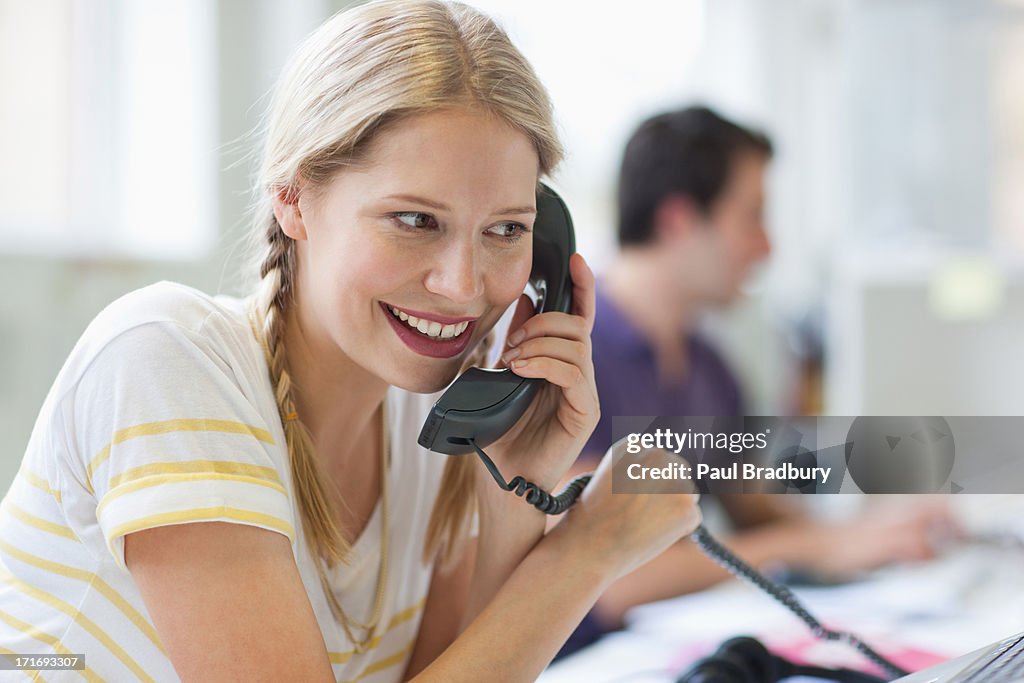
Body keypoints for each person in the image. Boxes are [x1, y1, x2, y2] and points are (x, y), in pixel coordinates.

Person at [0, 3, 703, 680]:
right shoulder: (166, 357)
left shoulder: (432, 433)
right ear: (294, 196)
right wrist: (582, 554)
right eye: (414, 219)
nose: (464, 285)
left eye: (506, 229)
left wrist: (515, 489)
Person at [559, 106, 952, 656]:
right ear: (678, 220)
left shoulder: (710, 367)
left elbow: (756, 506)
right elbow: (606, 579)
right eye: (752, 218)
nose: (766, 247)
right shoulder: (571, 355)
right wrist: (815, 546)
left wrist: (873, 533)